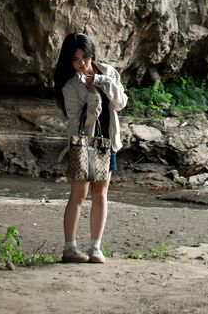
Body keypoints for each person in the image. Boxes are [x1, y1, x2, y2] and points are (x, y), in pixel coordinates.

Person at [53, 31, 128, 263]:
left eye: (84, 57)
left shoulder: (108, 72)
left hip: (108, 143)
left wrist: (100, 81)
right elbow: (76, 122)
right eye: (75, 60)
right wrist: (92, 96)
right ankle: (70, 248)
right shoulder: (69, 87)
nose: (82, 63)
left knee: (100, 193)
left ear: (91, 54)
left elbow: (120, 103)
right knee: (78, 194)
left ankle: (96, 247)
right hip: (84, 143)